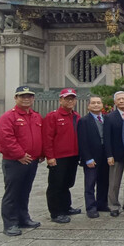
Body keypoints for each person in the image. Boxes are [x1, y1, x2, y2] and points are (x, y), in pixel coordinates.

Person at [0, 86, 43, 236]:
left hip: (32, 160)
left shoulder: (36, 116)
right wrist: (20, 155)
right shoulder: (8, 117)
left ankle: (24, 218)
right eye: (22, 96)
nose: (26, 99)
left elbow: (40, 136)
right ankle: (10, 223)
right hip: (15, 161)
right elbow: (6, 139)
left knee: (25, 191)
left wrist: (41, 153)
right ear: (16, 98)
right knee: (12, 193)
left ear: (33, 98)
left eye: (29, 96)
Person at [43, 88, 82, 224]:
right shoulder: (52, 116)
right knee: (56, 185)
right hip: (58, 157)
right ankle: (56, 212)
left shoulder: (76, 116)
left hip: (73, 156)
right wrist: (50, 157)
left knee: (67, 183)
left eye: (72, 98)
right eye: (67, 98)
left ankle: (66, 207)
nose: (70, 101)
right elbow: (47, 138)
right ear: (61, 100)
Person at [77, 96, 109, 218]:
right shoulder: (84, 121)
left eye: (98, 102)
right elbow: (82, 141)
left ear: (102, 105)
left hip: (105, 156)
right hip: (91, 157)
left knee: (104, 181)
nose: (96, 105)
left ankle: (102, 204)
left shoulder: (106, 119)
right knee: (90, 183)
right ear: (88, 106)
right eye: (93, 103)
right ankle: (91, 207)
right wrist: (87, 158)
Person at [104, 91, 124, 217]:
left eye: (123, 99)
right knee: (114, 182)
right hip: (115, 155)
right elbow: (107, 138)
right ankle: (113, 205)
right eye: (118, 99)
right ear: (115, 102)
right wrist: (109, 155)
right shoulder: (109, 117)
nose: (121, 101)